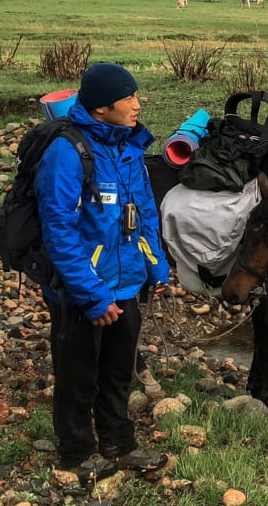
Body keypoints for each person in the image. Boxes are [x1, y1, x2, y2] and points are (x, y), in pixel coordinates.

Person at [35, 62, 171, 481]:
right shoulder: (66, 153)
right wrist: (92, 295)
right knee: (78, 374)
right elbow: (59, 231)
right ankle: (77, 453)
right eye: (128, 97)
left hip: (126, 282)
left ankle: (119, 444)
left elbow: (145, 211)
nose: (137, 104)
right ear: (100, 109)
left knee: (116, 370)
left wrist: (156, 267)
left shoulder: (129, 147)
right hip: (82, 292)